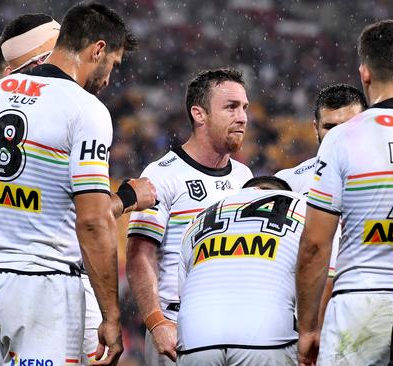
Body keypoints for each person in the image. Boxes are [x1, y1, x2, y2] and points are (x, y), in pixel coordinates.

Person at [0, 2, 136, 365]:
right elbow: (92, 220)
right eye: (113, 65)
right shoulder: (85, 110)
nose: (109, 79)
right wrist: (111, 315)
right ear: (97, 49)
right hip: (45, 287)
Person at [296, 19, 393, 366]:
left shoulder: (342, 137)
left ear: (364, 73)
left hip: (361, 303)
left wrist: (307, 327)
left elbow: (316, 245)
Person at [126, 68, 253, 365]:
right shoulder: (163, 174)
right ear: (199, 114)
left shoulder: (245, 177)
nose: (243, 117)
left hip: (236, 327)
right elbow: (139, 256)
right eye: (231, 107)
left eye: (244, 107)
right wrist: (157, 323)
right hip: (179, 326)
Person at [176, 176, 302, 365]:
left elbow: (183, 291)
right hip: (266, 338)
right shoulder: (300, 205)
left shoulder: (198, 218)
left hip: (196, 338)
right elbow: (317, 269)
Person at [275, 83, 366, 327]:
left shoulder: (388, 175)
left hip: (366, 300)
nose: (338, 135)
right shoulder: (288, 181)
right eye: (330, 127)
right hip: (307, 311)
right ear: (315, 128)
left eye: (348, 126)